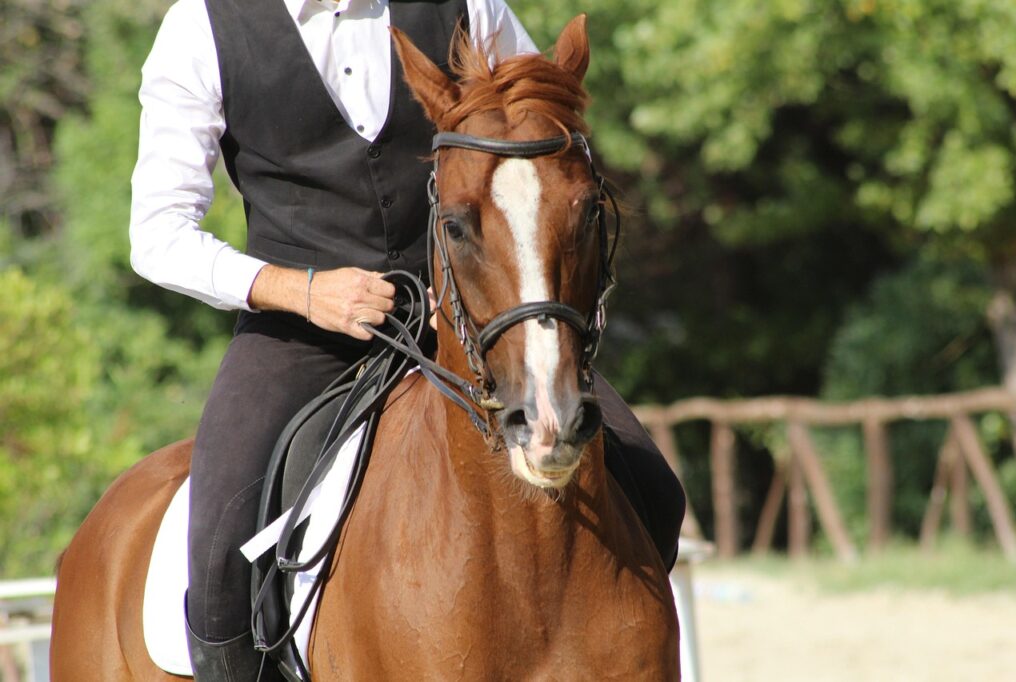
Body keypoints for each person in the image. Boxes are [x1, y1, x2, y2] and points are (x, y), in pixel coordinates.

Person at [130, 0, 686, 678]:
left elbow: (532, 141)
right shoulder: (204, 24)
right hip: (302, 328)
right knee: (217, 549)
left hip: (473, 317)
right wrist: (305, 291)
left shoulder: (466, 5)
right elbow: (158, 234)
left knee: (655, 487)